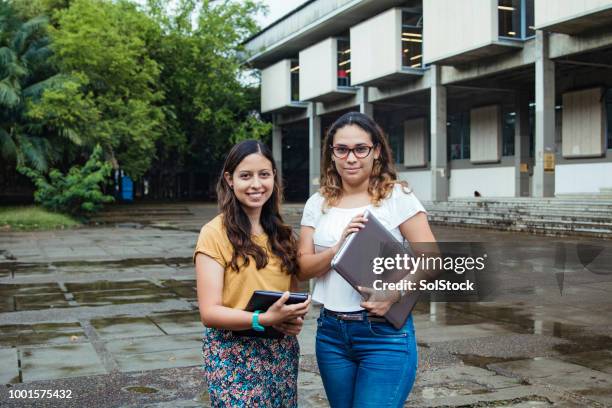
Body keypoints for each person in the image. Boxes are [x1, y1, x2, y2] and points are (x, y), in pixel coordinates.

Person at [297, 112, 436, 407]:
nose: (351, 158)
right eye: (342, 149)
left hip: (382, 334)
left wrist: (393, 293)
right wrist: (337, 249)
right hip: (331, 334)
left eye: (361, 149)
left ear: (376, 152)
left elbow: (432, 259)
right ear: (331, 154)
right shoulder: (317, 203)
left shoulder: (397, 197)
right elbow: (302, 268)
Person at [194, 140, 311, 407]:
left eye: (264, 175)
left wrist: (292, 320)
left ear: (274, 178)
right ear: (230, 179)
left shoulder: (282, 235)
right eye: (246, 176)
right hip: (232, 353)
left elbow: (290, 296)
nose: (256, 184)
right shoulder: (214, 233)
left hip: (280, 352)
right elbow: (209, 313)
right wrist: (265, 318)